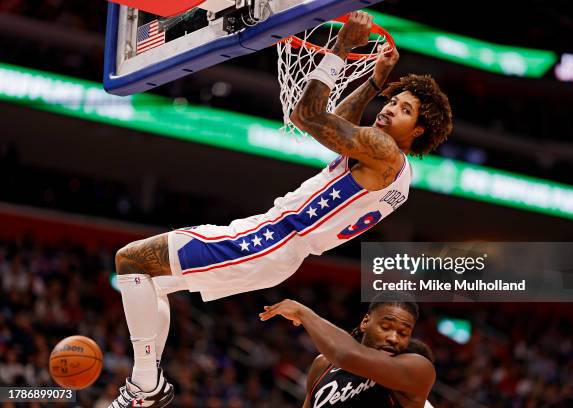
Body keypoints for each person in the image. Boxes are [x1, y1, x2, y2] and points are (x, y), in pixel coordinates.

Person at [108, 10, 452, 407]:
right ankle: (147, 386)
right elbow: (335, 124)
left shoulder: (385, 151)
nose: (390, 108)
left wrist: (341, 47)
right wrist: (373, 82)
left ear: (419, 131)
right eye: (392, 100)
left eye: (404, 109)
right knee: (154, 282)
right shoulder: (393, 170)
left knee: (131, 260)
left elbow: (307, 116)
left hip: (270, 240)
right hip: (278, 246)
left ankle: (145, 387)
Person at [259, 298, 436, 407]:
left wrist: (303, 312)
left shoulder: (418, 369)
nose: (394, 338)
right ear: (365, 322)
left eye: (403, 333)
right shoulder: (322, 365)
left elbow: (347, 356)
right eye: (386, 327)